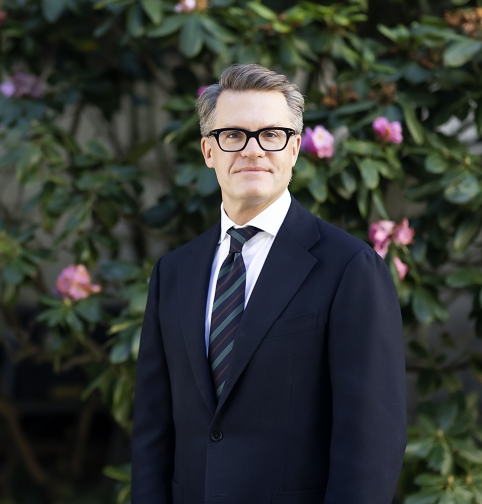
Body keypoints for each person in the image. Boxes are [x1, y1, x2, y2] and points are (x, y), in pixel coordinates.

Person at [131, 64, 406, 504]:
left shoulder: (350, 268)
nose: (252, 150)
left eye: (271, 135)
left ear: (295, 148)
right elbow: (152, 427)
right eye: (233, 135)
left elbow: (371, 443)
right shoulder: (173, 273)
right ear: (208, 150)